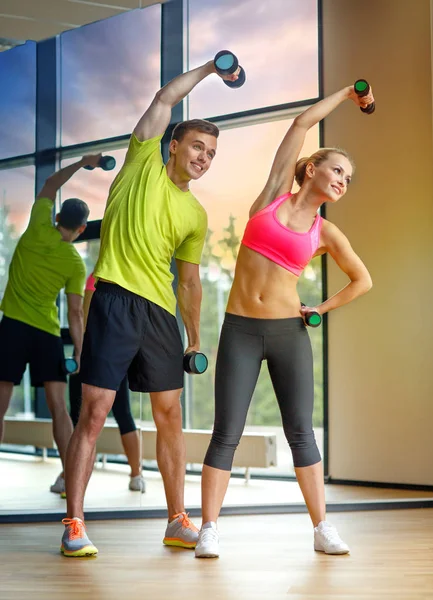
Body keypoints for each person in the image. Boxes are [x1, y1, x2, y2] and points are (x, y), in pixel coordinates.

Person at [60, 55, 242, 558]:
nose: (204, 158)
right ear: (173, 145)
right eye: (197, 147)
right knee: (93, 413)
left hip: (160, 317)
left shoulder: (196, 214)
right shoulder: (141, 164)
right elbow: (164, 99)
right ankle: (74, 522)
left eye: (211, 153)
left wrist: (196, 336)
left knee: (169, 415)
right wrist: (211, 69)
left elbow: (188, 281)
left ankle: (176, 520)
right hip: (115, 299)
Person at [195, 84, 374, 559]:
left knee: (301, 432)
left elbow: (363, 280)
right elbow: (299, 125)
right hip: (240, 330)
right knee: (226, 431)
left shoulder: (325, 231)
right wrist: (347, 94)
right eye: (338, 169)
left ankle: (322, 528)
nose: (343, 180)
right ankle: (209, 528)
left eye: (349, 178)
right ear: (311, 169)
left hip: (287, 334)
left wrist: (320, 308)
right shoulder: (272, 199)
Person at [0, 155, 100, 494]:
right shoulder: (74, 262)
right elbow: (75, 313)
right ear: (82, 228)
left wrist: (83, 162)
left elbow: (51, 184)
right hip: (45, 334)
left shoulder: (37, 227)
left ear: (57, 217)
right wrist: (83, 353)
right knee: (60, 409)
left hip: (12, 327)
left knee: (0, 406)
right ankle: (69, 479)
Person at [68, 272, 145, 493]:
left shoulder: (97, 277)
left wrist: (80, 353)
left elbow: (83, 317)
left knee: (84, 420)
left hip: (95, 353)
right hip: (116, 353)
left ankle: (70, 476)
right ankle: (136, 474)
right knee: (122, 415)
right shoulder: (124, 275)